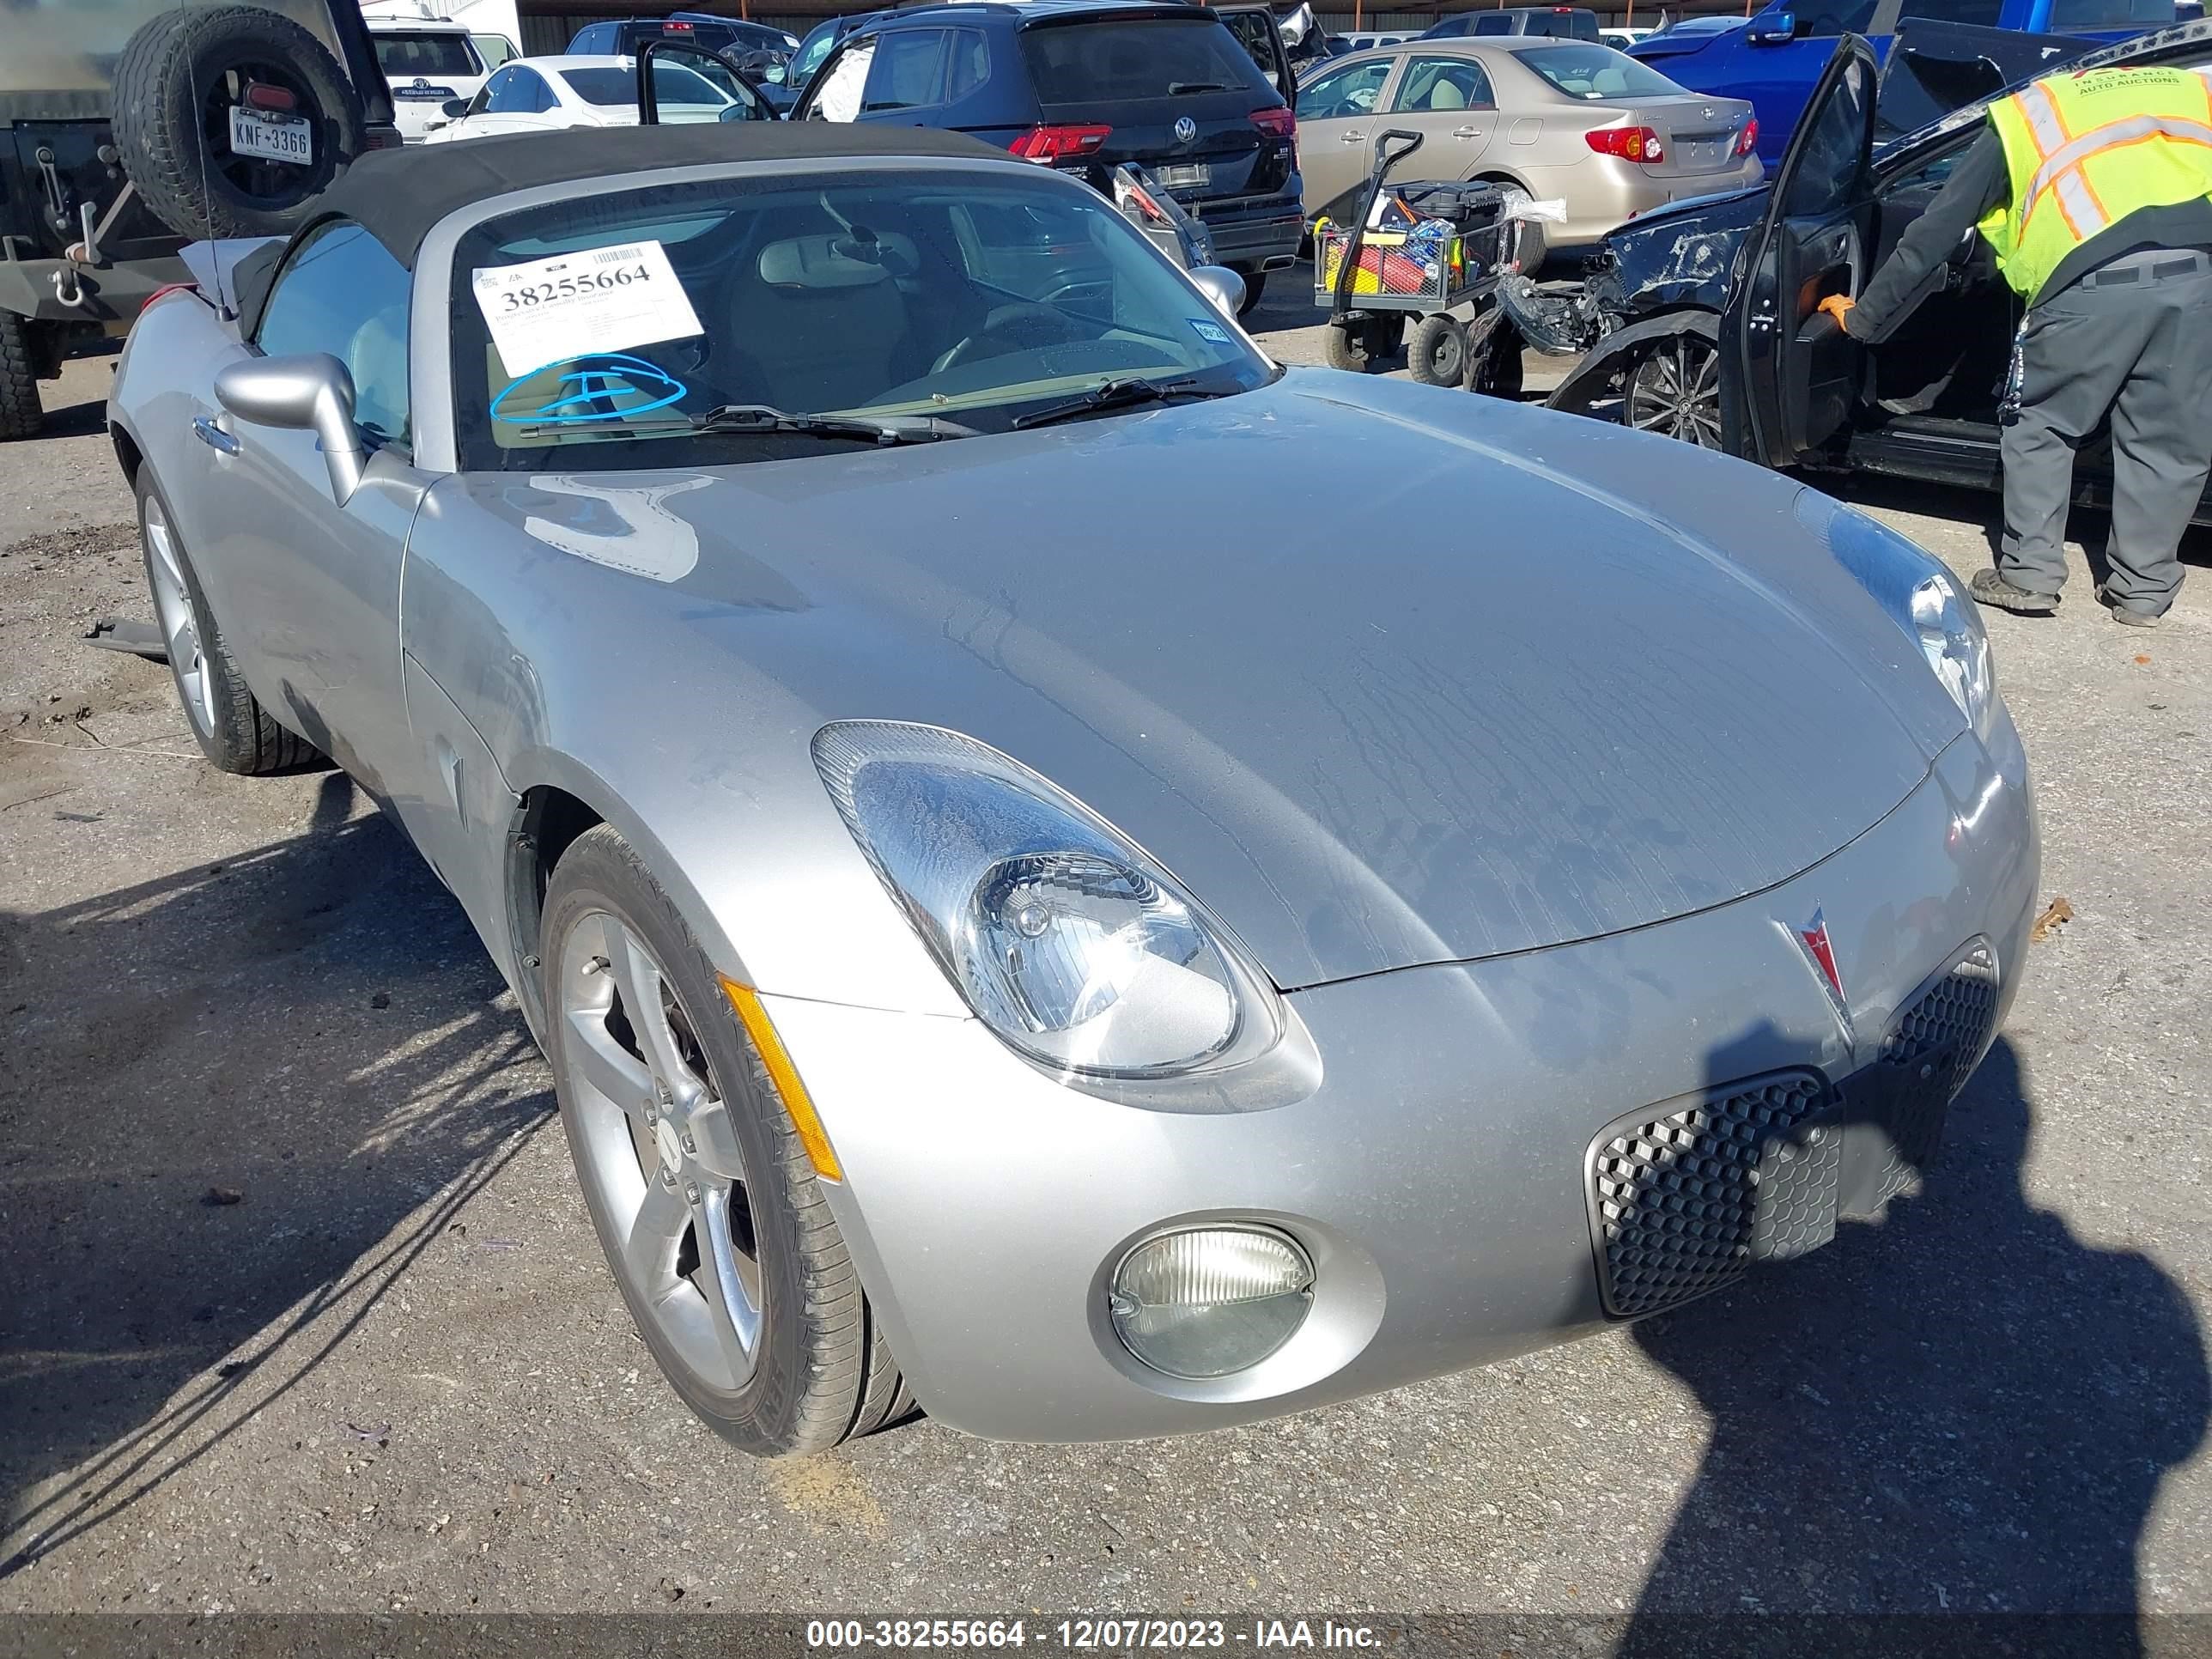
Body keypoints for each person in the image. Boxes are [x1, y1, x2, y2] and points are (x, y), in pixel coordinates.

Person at [1820, 63, 2212, 628]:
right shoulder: (2188, 89)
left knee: (2043, 425)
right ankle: (2143, 591)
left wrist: (1863, 320)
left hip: (2089, 283)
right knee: (2167, 440)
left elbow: (1933, 234)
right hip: (2199, 277)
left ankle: (2030, 577)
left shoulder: (2027, 116)